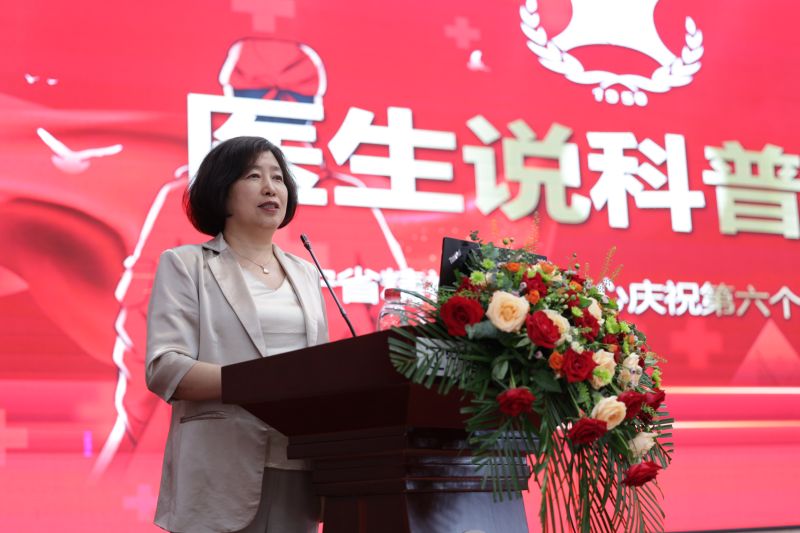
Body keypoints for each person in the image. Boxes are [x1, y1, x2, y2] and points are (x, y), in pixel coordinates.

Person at [145, 136, 329, 533]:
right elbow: (165, 368)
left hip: (297, 465)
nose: (270, 188)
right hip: (218, 468)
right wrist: (261, 382)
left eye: (278, 178)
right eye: (253, 176)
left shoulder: (306, 273)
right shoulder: (186, 265)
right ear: (222, 191)